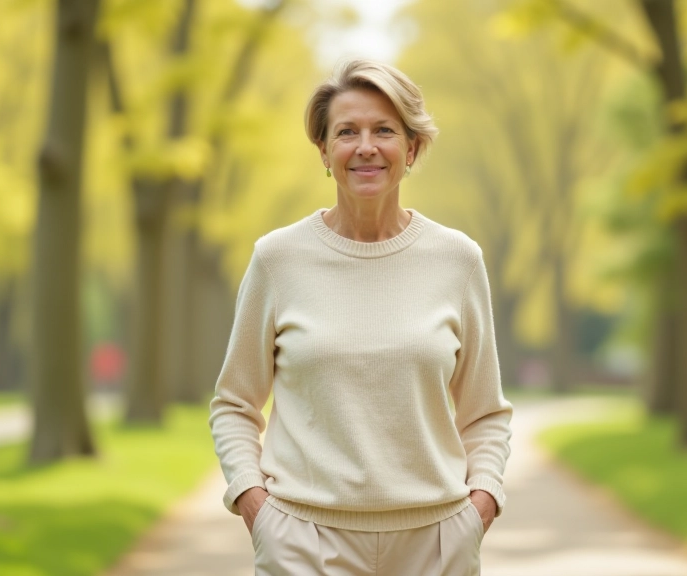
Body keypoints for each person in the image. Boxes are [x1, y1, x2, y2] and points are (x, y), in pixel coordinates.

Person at [209, 58, 513, 576]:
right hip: (303, 543)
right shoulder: (277, 259)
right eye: (346, 131)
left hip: (434, 546)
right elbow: (235, 404)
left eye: (385, 131)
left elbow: (484, 414)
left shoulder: (459, 260)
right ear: (324, 151)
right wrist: (257, 509)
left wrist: (479, 506)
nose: (365, 146)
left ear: (412, 148)